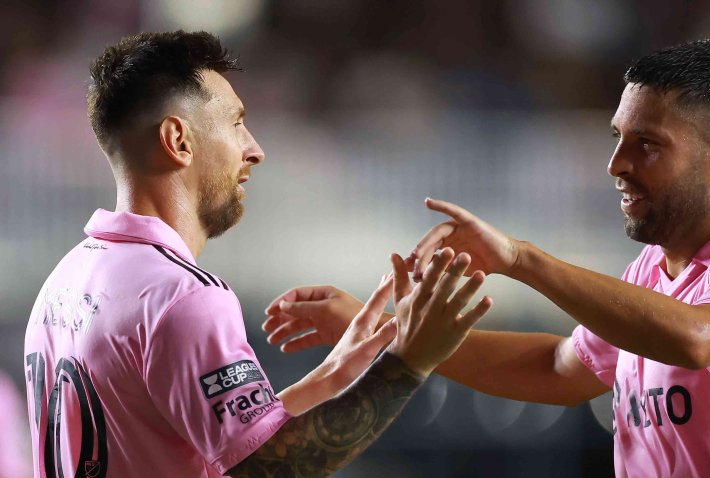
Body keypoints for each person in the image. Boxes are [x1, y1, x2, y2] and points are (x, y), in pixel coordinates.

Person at [264, 40, 710, 477]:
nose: (616, 163)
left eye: (648, 145)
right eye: (618, 136)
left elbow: (700, 339)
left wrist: (522, 260)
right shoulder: (651, 276)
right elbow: (561, 368)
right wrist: (384, 334)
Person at [23, 30, 493, 478]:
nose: (255, 150)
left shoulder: (64, 281)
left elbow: (199, 446)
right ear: (178, 140)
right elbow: (273, 469)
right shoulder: (182, 297)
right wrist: (409, 363)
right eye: (237, 123)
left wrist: (327, 380)